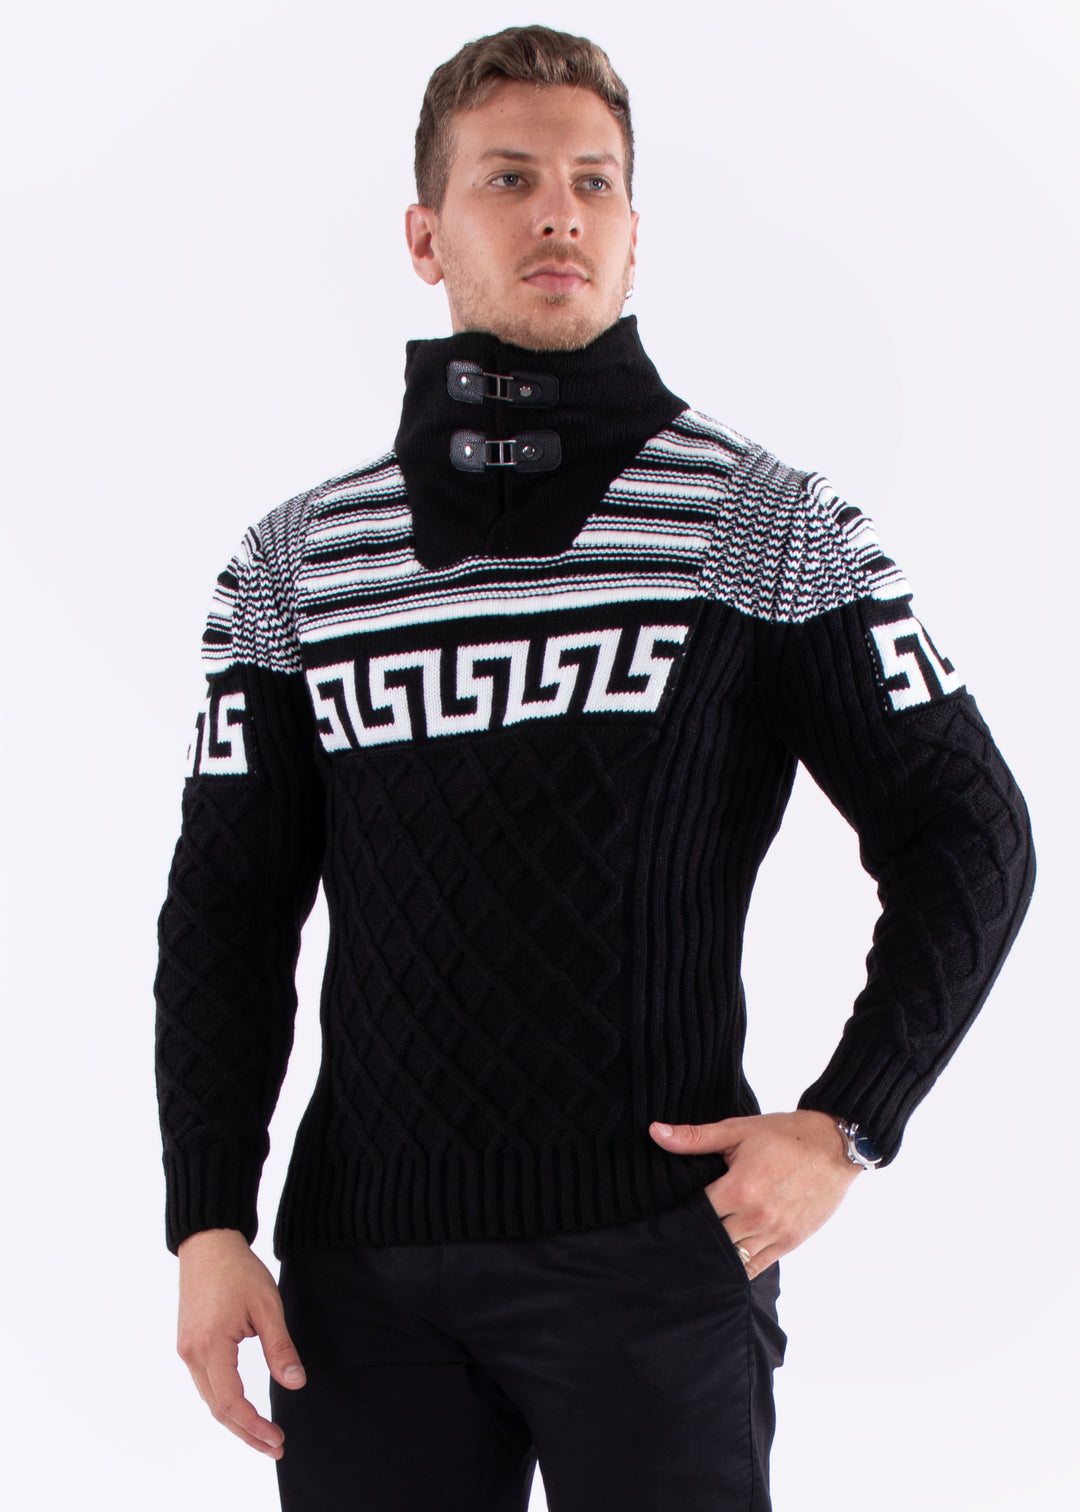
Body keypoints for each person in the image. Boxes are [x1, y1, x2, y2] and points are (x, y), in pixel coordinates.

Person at [155, 24, 1035, 1512]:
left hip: (657, 1259)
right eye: (509, 179)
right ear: (426, 235)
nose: (559, 213)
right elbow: (227, 915)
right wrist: (206, 1220)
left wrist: (848, 1123)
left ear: (635, 232)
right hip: (367, 1281)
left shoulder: (761, 525)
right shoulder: (295, 567)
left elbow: (971, 831)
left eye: (594, 182)